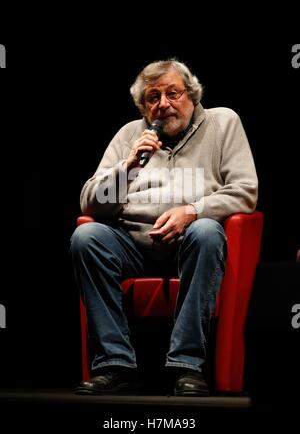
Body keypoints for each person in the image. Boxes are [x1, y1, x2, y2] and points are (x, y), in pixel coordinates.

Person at [70, 59, 258, 396]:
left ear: (192, 95)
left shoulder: (223, 122)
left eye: (173, 94)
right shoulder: (130, 134)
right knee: (87, 236)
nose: (163, 105)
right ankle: (116, 365)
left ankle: (186, 366)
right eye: (153, 97)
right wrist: (127, 167)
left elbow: (245, 192)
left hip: (194, 241)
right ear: (143, 106)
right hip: (132, 243)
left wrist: (193, 210)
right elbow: (91, 202)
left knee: (207, 231)